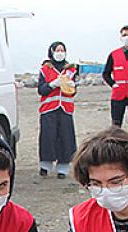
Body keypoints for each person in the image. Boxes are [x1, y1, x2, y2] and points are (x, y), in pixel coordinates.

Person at [37, 42, 78, 179]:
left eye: (62, 50)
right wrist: (52, 84)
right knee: (48, 137)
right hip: (49, 109)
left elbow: (73, 92)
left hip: (65, 109)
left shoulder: (71, 70)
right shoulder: (45, 69)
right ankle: (45, 166)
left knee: (66, 138)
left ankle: (63, 168)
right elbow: (41, 90)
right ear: (52, 51)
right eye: (57, 50)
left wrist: (73, 87)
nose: (60, 52)